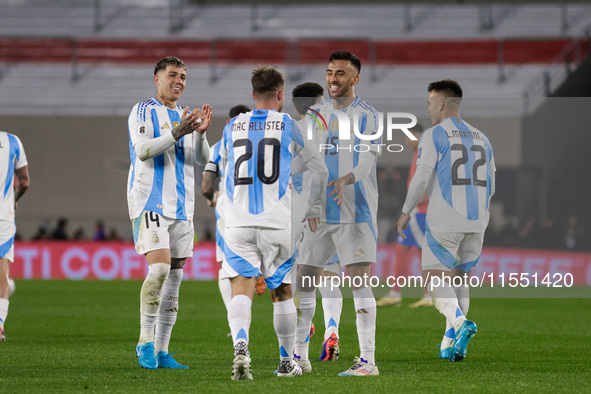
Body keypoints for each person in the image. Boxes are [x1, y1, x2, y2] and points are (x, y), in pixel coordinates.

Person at [217, 66, 328, 380]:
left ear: (253, 95)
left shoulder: (233, 125)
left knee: (241, 286)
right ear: (281, 96)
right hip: (277, 221)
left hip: (237, 221)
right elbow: (318, 168)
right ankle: (285, 361)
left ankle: (241, 347)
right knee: (282, 291)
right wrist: (314, 204)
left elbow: (227, 169)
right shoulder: (287, 124)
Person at [294, 51, 381, 376]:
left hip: (355, 211)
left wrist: (346, 178)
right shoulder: (316, 114)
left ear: (355, 79)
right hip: (319, 213)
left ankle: (368, 361)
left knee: (358, 282)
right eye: (330, 72)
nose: (333, 78)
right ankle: (300, 358)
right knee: (304, 279)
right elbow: (305, 159)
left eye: (341, 73)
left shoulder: (368, 116)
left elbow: (368, 160)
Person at [397, 79, 495, 362]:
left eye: (429, 103)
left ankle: (460, 323)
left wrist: (406, 210)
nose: (428, 110)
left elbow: (421, 178)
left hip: (444, 219)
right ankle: (449, 343)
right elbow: (492, 184)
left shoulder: (433, 135)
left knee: (434, 277)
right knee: (460, 279)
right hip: (477, 220)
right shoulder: (483, 138)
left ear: (441, 103)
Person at [127, 56, 212, 369]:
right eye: (173, 75)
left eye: (184, 77)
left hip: (182, 207)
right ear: (157, 78)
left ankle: (162, 351)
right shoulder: (144, 110)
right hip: (150, 202)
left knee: (174, 280)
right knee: (159, 270)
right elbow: (142, 150)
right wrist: (178, 132)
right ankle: (144, 343)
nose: (179, 81)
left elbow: (201, 159)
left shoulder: (184, 117)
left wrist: (200, 133)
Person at [291, 82, 343, 362]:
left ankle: (300, 349)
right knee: (331, 274)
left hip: (305, 214)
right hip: (339, 209)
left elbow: (291, 169)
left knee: (302, 276)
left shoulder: (297, 129)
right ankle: (331, 329)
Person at [201, 104, 251, 317]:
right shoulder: (259, 143)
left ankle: (235, 319)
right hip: (258, 206)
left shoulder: (218, 147)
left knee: (226, 264)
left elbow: (206, 187)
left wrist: (212, 197)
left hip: (228, 207)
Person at [377, 123, 433, 308]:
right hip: (420, 210)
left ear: (418, 135)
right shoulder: (420, 153)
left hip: (420, 211)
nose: (406, 141)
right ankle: (400, 293)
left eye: (409, 137)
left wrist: (415, 204)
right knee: (409, 250)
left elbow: (425, 181)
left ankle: (425, 295)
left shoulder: (424, 153)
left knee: (418, 251)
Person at [0, 131, 30, 341]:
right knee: (3, 273)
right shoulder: (12, 141)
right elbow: (25, 182)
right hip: (3, 216)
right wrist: (14, 200)